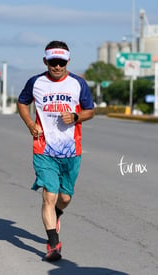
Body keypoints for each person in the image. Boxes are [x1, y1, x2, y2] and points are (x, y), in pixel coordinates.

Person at [18, 41, 94, 261]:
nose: (57, 66)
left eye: (61, 62)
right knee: (49, 195)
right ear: (45, 61)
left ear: (68, 61)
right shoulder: (36, 82)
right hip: (44, 148)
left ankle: (57, 215)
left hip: (71, 150)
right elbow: (22, 103)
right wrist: (30, 125)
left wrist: (77, 117)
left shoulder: (78, 83)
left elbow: (90, 111)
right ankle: (53, 245)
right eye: (53, 62)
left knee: (65, 197)